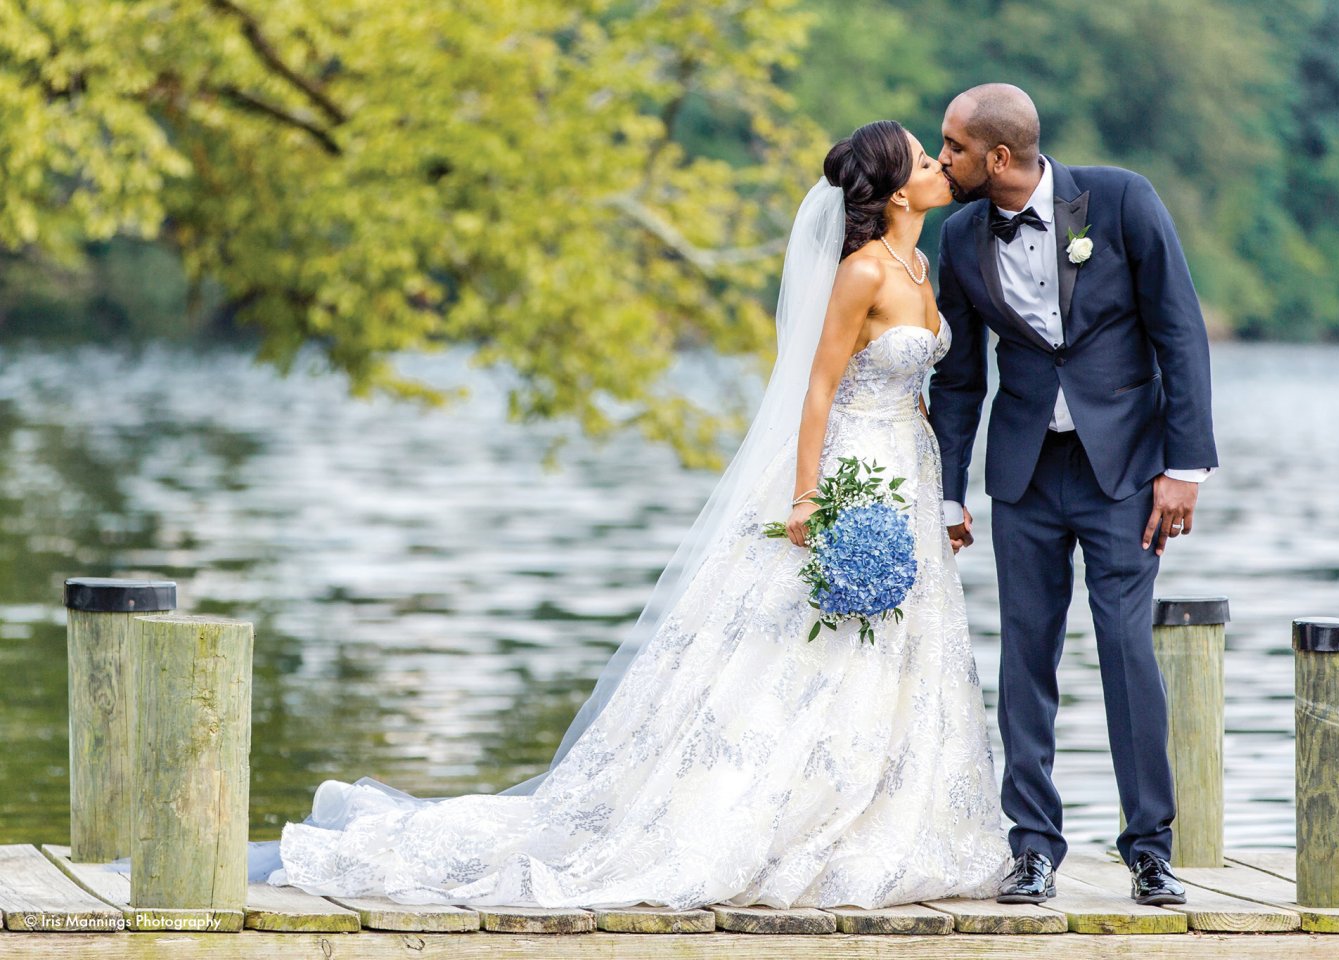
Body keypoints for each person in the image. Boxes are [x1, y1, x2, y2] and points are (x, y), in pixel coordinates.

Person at [256, 120, 1011, 909]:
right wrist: (807, 495)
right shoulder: (861, 272)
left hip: (907, 476)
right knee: (813, 645)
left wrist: (935, 485)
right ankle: (772, 812)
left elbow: (906, 376)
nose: (938, 169)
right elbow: (818, 389)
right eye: (927, 161)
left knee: (900, 649)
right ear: (896, 190)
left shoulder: (918, 262)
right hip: (847, 471)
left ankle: (882, 813)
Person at [929, 83, 1219, 906]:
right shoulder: (957, 236)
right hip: (1023, 473)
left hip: (1125, 469)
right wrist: (949, 492)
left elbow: (1179, 329)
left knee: (1127, 650)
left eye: (950, 146)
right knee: (1024, 656)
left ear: (996, 157)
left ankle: (1149, 849)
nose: (939, 157)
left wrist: (1184, 467)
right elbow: (957, 378)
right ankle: (1033, 850)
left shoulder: (1122, 200)